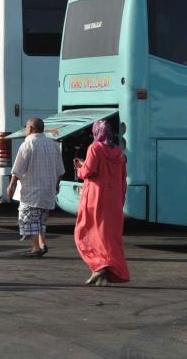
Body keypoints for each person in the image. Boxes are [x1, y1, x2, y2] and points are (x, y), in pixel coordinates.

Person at [74, 121, 130, 286]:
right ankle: (105, 275)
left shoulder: (95, 148)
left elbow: (89, 171)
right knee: (108, 236)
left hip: (96, 197)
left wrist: (79, 168)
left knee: (85, 232)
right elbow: (123, 178)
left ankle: (98, 266)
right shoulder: (119, 152)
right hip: (114, 199)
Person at [6, 117, 65, 257]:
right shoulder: (53, 145)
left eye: (26, 128)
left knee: (30, 219)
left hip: (32, 191)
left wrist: (11, 185)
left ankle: (36, 248)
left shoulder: (28, 144)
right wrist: (56, 186)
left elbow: (18, 169)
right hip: (48, 190)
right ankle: (42, 244)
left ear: (31, 128)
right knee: (41, 220)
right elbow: (60, 170)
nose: (25, 131)